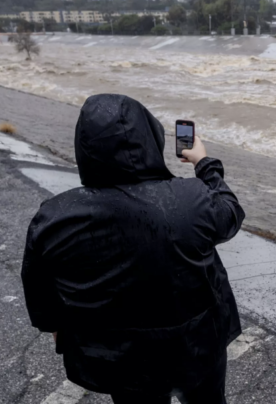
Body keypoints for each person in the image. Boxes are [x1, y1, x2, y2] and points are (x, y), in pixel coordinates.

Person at [21, 94, 244, 404]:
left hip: (120, 358)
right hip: (199, 344)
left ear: (85, 147)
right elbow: (231, 212)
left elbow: (39, 286)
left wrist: (56, 327)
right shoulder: (191, 199)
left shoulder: (56, 216)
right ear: (150, 140)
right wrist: (205, 163)